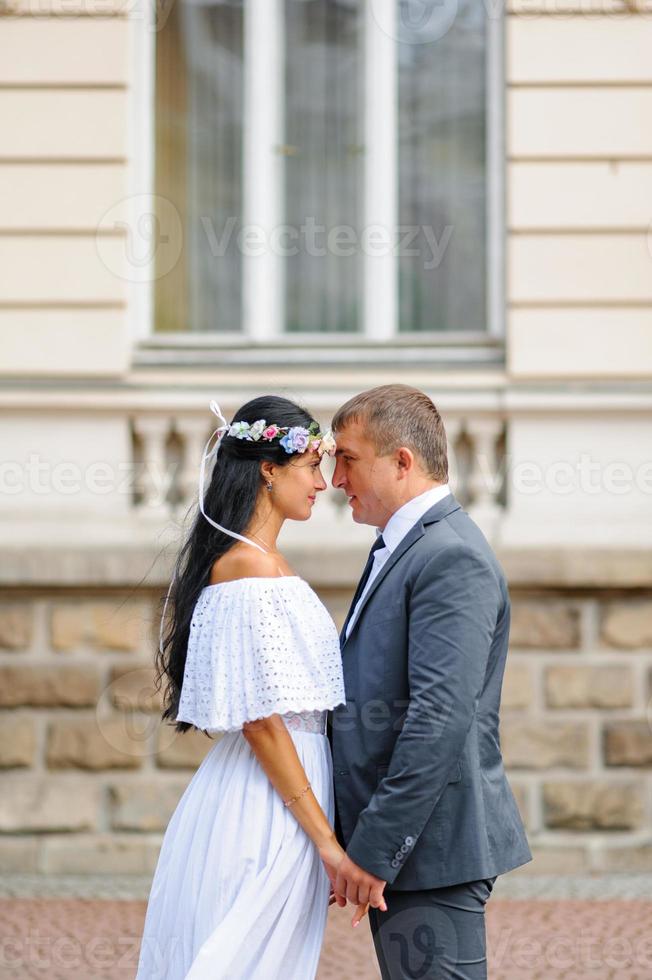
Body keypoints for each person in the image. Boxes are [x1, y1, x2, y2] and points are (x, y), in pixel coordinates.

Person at [135, 394, 376, 980]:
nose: (323, 483)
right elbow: (262, 720)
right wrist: (325, 841)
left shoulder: (261, 563)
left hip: (280, 789)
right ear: (269, 470)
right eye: (311, 466)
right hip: (268, 803)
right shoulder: (250, 569)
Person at [327, 384, 532, 980]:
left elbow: (438, 720)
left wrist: (372, 849)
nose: (337, 477)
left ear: (402, 462)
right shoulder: (401, 546)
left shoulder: (449, 556)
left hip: (431, 850)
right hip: (413, 851)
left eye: (347, 457)